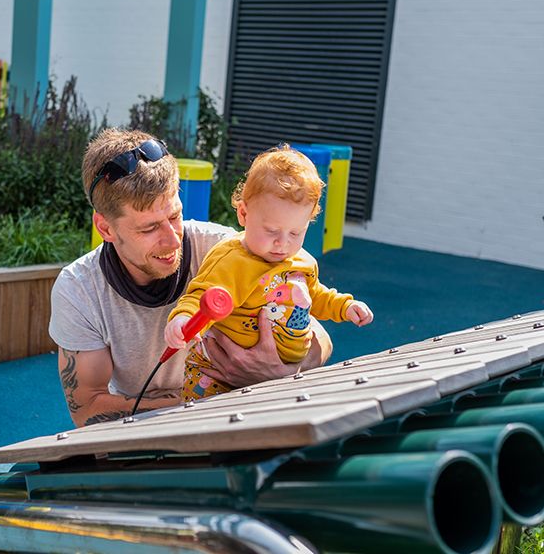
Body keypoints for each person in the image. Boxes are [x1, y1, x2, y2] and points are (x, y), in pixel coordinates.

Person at [49, 128, 334, 427]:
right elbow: (87, 408)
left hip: (233, 424)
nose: (172, 240)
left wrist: (279, 371)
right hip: (149, 434)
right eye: (149, 229)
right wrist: (199, 400)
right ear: (106, 229)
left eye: (175, 216)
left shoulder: (227, 251)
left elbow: (321, 341)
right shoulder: (78, 289)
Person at [165, 145, 374, 401]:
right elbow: (201, 296)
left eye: (295, 233)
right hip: (217, 376)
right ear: (243, 213)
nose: (283, 243)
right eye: (272, 231)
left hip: (282, 378)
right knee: (208, 424)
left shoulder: (301, 261)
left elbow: (317, 295)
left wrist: (345, 306)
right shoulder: (233, 261)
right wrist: (183, 319)